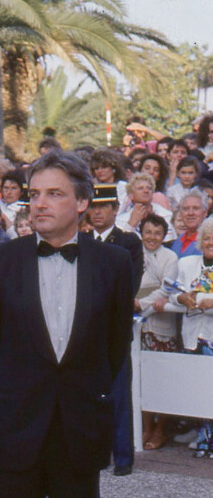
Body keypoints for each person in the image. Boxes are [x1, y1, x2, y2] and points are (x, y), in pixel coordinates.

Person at [0, 150, 134, 497]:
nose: (40, 204)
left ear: (82, 202)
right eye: (34, 194)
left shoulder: (114, 263)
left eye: (54, 194)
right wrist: (11, 393)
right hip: (13, 427)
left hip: (81, 429)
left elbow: (116, 347)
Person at [87, 183, 143, 476]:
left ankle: (123, 457)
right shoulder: (81, 240)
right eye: (94, 207)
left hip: (114, 328)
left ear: (115, 209)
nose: (98, 212)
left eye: (104, 207)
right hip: (86, 331)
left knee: (119, 395)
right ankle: (96, 452)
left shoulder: (128, 242)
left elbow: (128, 287)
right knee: (89, 394)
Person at [135, 214, 179, 451]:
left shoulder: (170, 257)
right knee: (143, 379)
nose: (152, 237)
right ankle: (146, 428)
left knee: (161, 378)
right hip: (138, 326)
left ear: (164, 235)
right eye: (148, 232)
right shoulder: (134, 252)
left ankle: (160, 430)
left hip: (161, 325)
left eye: (157, 233)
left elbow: (167, 287)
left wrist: (140, 303)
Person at [170, 217, 213, 457]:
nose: (210, 242)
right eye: (206, 237)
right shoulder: (187, 263)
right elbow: (171, 293)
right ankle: (200, 433)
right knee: (196, 386)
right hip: (192, 336)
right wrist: (180, 298)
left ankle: (208, 438)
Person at [115, 173, 175, 242]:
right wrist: (131, 224)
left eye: (149, 188)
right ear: (131, 195)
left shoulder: (167, 215)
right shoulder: (120, 220)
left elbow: (171, 241)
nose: (146, 191)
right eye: (140, 188)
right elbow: (121, 245)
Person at [169, 190, 208, 259]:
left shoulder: (209, 241)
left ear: (205, 213)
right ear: (181, 213)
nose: (190, 213)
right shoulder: (178, 240)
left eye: (196, 208)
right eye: (186, 209)